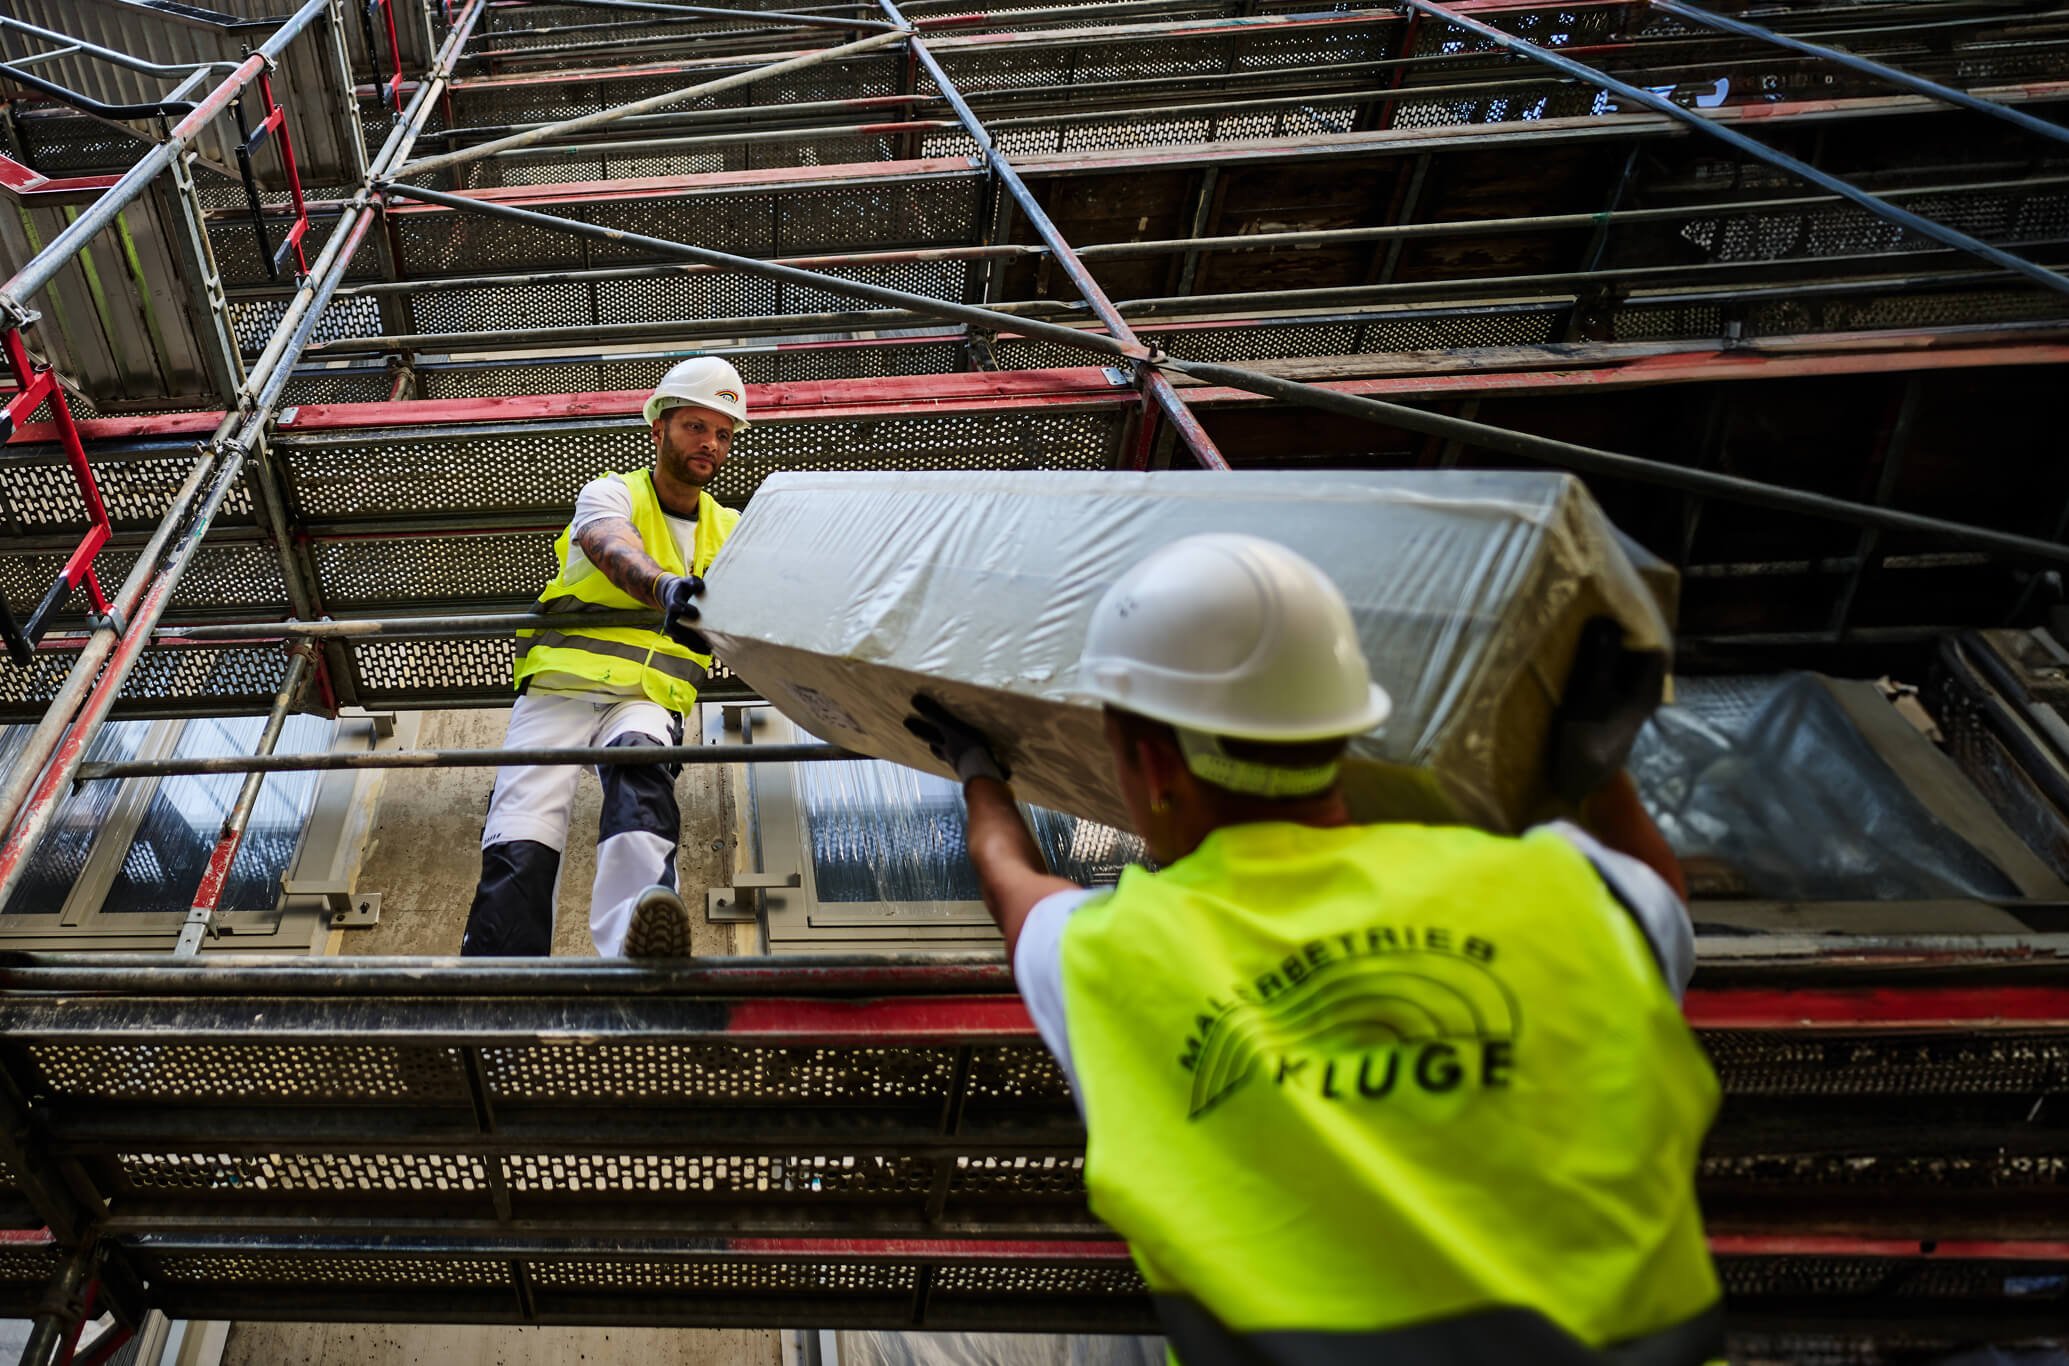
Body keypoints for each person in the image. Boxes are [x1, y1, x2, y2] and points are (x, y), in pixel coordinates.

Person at [903, 533, 1724, 1365]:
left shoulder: (1109, 957)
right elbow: (1659, 904)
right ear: (1342, 727)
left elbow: (1009, 880)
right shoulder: (1571, 887)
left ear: (1151, 764)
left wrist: (979, 768)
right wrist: (1596, 772)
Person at [460, 356, 749, 960]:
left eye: (723, 433)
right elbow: (607, 543)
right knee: (525, 815)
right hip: (560, 690)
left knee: (643, 780)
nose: (711, 443)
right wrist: (666, 587)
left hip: (647, 698)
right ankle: (502, 962)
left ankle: (635, 947)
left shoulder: (733, 528)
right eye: (696, 426)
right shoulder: (613, 491)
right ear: (659, 429)